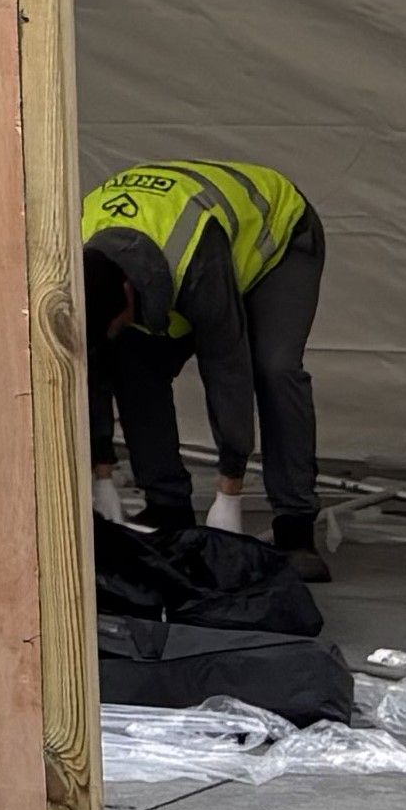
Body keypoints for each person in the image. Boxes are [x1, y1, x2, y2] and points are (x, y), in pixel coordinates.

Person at [85, 157, 326, 564]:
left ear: (128, 292)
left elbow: (226, 363)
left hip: (276, 240)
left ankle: (294, 525)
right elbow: (92, 367)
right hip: (163, 253)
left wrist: (228, 495)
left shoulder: (194, 252)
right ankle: (167, 508)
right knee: (132, 364)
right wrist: (102, 472)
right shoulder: (77, 254)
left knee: (274, 368)